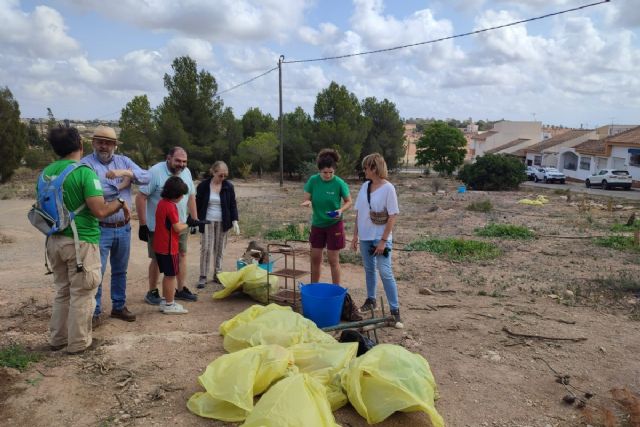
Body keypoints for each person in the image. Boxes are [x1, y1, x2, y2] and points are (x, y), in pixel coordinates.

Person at [40, 126, 130, 354]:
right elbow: (100, 211)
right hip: (81, 242)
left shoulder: (46, 173)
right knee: (83, 293)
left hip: (54, 241)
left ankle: (57, 338)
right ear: (81, 145)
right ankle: (79, 343)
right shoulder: (84, 172)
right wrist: (119, 202)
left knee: (63, 291)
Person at [81, 126, 149, 325]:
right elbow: (99, 191)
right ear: (93, 143)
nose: (104, 146)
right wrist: (121, 185)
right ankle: (94, 312)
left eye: (108, 142)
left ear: (114, 145)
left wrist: (125, 172)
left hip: (124, 226)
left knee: (120, 270)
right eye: (100, 142)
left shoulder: (123, 161)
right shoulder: (86, 164)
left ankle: (118, 307)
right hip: (99, 227)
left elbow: (148, 177)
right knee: (97, 272)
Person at [135, 147, 200, 305]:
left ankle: (180, 289)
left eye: (184, 161)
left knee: (182, 255)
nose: (181, 164)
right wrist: (143, 225)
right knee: (158, 259)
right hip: (159, 228)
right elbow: (140, 197)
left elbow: (191, 196)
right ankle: (152, 291)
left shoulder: (186, 172)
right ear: (168, 158)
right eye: (178, 160)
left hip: (180, 224)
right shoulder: (155, 172)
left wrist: (195, 219)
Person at [350, 153, 403, 329]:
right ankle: (371, 299)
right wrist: (355, 236)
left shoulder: (389, 189)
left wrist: (383, 240)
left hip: (380, 238)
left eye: (366, 167)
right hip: (365, 237)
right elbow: (359, 213)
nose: (364, 170)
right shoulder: (365, 186)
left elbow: (393, 215)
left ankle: (395, 310)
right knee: (369, 269)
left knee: (385, 271)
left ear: (374, 168)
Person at [301, 148, 352, 284]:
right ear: (319, 170)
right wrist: (307, 202)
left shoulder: (339, 183)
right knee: (315, 258)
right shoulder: (313, 181)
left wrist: (341, 210)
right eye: (325, 172)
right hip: (317, 224)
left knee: (333, 260)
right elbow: (307, 198)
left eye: (331, 172)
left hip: (334, 224)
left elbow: (349, 202)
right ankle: (314, 287)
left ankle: (336, 290)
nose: (328, 175)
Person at [195, 161, 240, 288]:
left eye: (225, 176)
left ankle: (218, 274)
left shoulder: (228, 186)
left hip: (223, 221)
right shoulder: (203, 186)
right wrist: (194, 220)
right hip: (207, 220)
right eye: (220, 175)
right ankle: (203, 275)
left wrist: (235, 220)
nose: (223, 178)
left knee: (220, 249)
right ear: (213, 172)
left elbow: (232, 204)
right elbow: (197, 204)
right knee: (206, 248)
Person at [153, 176, 191, 314]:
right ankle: (169, 304)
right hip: (169, 247)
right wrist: (189, 224)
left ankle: (165, 300)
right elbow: (176, 228)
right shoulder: (171, 206)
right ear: (175, 194)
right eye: (181, 195)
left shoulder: (162, 203)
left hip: (160, 246)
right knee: (171, 276)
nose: (182, 197)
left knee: (167, 275)